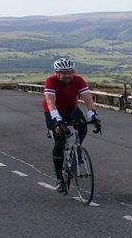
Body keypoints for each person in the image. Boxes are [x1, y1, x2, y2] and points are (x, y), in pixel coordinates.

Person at [43, 57, 101, 194]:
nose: (68, 75)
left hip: (71, 109)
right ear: (57, 73)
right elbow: (50, 102)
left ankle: (77, 149)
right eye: (64, 73)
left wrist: (93, 115)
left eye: (70, 72)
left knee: (83, 127)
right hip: (53, 111)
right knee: (59, 140)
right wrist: (56, 120)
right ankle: (59, 178)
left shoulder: (78, 80)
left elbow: (87, 98)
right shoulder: (51, 81)